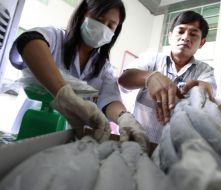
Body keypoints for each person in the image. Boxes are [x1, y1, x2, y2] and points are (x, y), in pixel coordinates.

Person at [9, 0, 148, 150]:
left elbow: (110, 100)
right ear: (83, 14)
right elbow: (27, 41)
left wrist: (124, 118)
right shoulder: (56, 38)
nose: (103, 28)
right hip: (31, 132)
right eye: (98, 19)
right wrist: (66, 97)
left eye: (110, 26)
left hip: (68, 143)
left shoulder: (104, 68)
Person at [118, 11, 217, 143]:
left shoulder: (205, 70)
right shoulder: (151, 58)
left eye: (193, 34)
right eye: (180, 31)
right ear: (170, 37)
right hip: (137, 143)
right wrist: (150, 78)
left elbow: (207, 88)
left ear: (202, 43)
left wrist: (203, 92)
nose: (185, 37)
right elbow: (124, 78)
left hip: (177, 151)